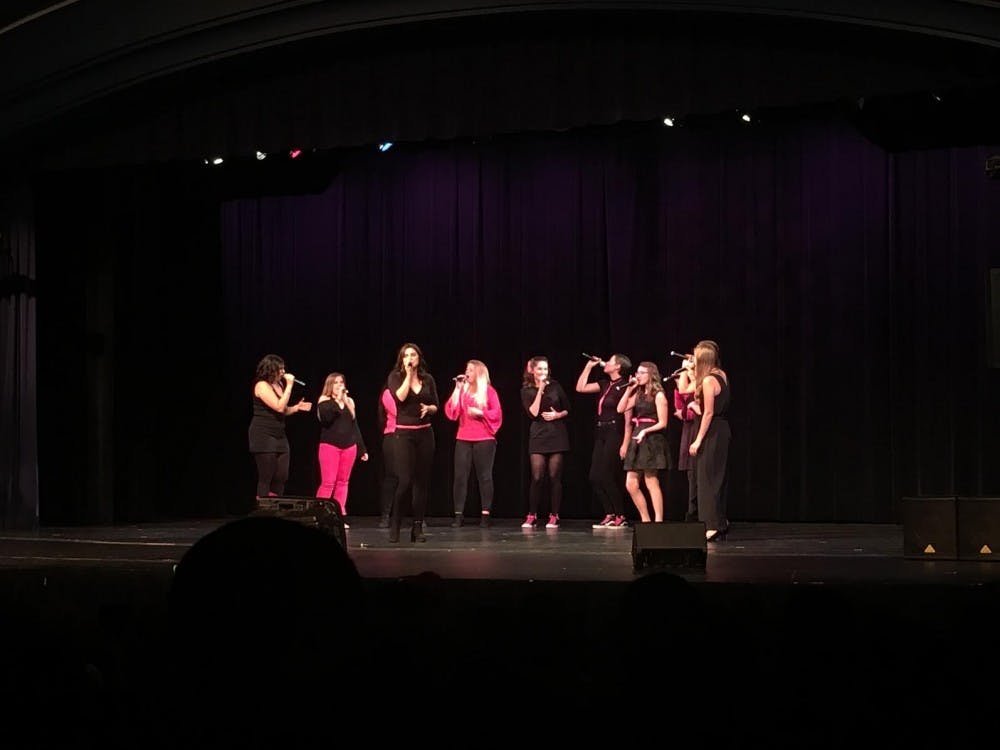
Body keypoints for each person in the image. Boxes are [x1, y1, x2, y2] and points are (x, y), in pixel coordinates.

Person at [382, 343, 439, 543]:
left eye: (413, 355)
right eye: (406, 355)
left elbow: (436, 404)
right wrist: (408, 375)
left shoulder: (428, 378)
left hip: (425, 434)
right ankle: (396, 524)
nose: (410, 358)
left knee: (421, 483)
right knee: (404, 481)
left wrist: (429, 409)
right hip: (403, 435)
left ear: (418, 357)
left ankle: (417, 528)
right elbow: (400, 397)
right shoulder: (395, 377)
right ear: (402, 359)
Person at [576, 353, 633, 528]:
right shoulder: (604, 383)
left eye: (610, 361)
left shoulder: (625, 385)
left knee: (607, 475)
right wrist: (588, 367)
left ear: (618, 367)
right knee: (594, 476)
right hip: (601, 431)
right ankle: (609, 513)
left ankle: (620, 515)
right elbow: (580, 388)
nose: (606, 363)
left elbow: (628, 418)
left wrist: (625, 442)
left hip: (616, 431)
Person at [444, 359, 503, 527]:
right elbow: (451, 412)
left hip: (484, 439)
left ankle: (485, 515)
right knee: (460, 477)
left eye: (470, 370)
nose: (467, 372)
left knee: (484, 477)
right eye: (466, 369)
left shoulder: (489, 392)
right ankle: (458, 515)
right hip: (463, 438)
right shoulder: (463, 391)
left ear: (478, 373)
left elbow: (497, 413)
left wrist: (481, 412)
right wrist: (457, 389)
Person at [248, 354, 312, 500]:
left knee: (282, 475)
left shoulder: (279, 385)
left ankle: (275, 507)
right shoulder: (261, 385)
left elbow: (284, 409)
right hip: (263, 434)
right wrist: (290, 385)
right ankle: (263, 509)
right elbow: (278, 407)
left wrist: (296, 408)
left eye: (283, 368)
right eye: (280, 369)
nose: (283, 372)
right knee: (266, 475)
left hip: (279, 434)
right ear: (270, 370)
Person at [617, 361, 671, 523]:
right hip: (637, 437)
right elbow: (620, 409)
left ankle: (659, 520)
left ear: (651, 375)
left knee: (651, 481)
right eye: (637, 373)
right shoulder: (638, 393)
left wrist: (645, 431)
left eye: (642, 373)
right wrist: (628, 389)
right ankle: (646, 520)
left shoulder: (659, 395)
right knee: (631, 484)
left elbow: (663, 422)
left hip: (651, 439)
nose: (637, 375)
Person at [520, 356, 570, 529]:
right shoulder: (526, 390)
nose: (543, 372)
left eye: (545, 369)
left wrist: (558, 415)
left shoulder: (555, 386)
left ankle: (554, 515)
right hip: (538, 435)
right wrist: (540, 389)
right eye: (539, 369)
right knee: (537, 477)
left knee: (554, 477)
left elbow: (567, 409)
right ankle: (532, 514)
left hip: (557, 434)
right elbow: (533, 413)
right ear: (532, 370)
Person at [688, 340, 731, 541]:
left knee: (707, 478)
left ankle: (712, 525)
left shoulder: (707, 381)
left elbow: (708, 413)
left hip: (712, 430)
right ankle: (720, 521)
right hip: (722, 429)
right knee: (717, 478)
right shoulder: (721, 374)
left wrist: (697, 440)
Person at [315, 372, 368, 528]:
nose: (339, 385)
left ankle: (339, 516)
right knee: (328, 483)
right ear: (330, 385)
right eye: (336, 383)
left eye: (341, 382)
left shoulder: (350, 401)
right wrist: (338, 400)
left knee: (343, 482)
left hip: (349, 446)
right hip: (330, 446)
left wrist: (362, 448)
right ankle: (320, 514)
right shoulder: (324, 401)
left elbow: (354, 426)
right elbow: (326, 419)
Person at [671, 351, 700, 521]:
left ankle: (697, 513)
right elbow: (682, 408)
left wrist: (687, 372)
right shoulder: (690, 382)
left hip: (697, 428)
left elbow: (686, 413)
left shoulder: (703, 381)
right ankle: (692, 512)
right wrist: (685, 373)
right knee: (691, 475)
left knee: (698, 475)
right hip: (689, 430)